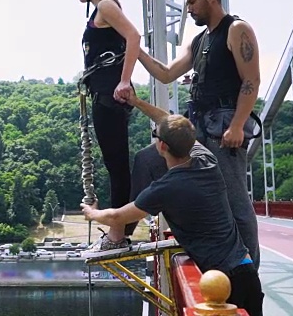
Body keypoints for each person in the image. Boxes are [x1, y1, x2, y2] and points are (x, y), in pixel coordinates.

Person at [81, 94, 264, 316]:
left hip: (221, 285)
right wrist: (137, 103)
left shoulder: (165, 189)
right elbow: (171, 121)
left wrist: (92, 212)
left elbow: (117, 217)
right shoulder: (207, 161)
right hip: (246, 271)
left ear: (161, 146)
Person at [136, 0, 261, 270]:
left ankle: (248, 270)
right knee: (150, 160)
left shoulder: (236, 30)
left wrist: (238, 125)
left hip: (224, 124)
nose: (188, 9)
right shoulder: (199, 40)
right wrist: (135, 49)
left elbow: (251, 80)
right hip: (198, 126)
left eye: (192, 2)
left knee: (233, 197)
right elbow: (166, 74)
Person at [74, 0, 141, 248]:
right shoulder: (104, 9)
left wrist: (124, 81)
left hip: (109, 98)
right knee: (115, 165)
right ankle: (121, 230)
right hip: (104, 96)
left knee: (116, 166)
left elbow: (134, 36)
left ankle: (118, 234)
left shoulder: (105, 7)